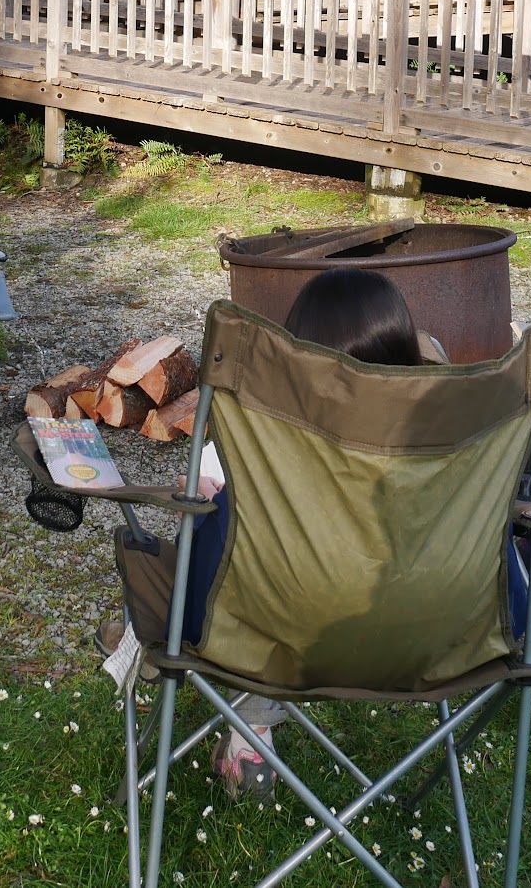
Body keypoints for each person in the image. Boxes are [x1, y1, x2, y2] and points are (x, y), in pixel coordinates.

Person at [203, 268, 429, 802]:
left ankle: (250, 727)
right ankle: (249, 726)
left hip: (290, 625)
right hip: (426, 630)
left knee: (224, 542)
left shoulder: (269, 440)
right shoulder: (441, 445)